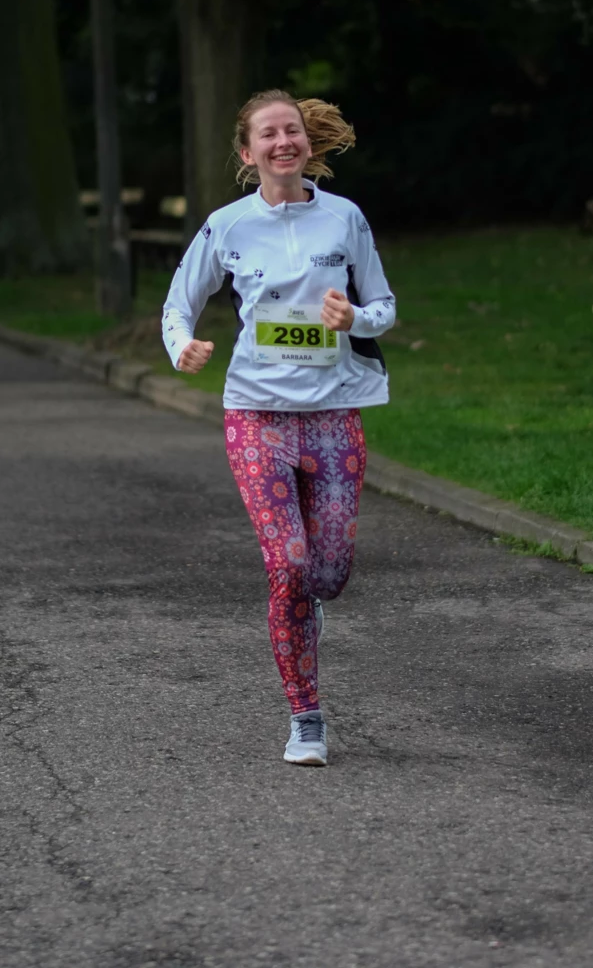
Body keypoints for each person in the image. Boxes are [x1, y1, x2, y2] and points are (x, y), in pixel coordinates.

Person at [162, 90, 396, 766]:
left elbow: (382, 303)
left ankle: (306, 602)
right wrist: (183, 347)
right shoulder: (228, 226)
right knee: (288, 567)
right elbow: (180, 303)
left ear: (306, 142)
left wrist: (356, 319)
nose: (282, 141)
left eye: (291, 130)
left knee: (327, 573)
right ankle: (306, 718)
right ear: (248, 152)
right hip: (256, 415)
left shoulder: (345, 218)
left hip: (331, 416)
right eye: (267, 134)